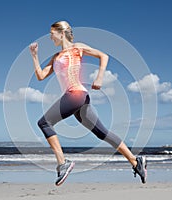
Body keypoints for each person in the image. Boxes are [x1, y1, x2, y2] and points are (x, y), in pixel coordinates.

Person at [29, 21, 147, 186]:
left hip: (76, 94)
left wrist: (99, 77)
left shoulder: (77, 47)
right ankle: (136, 161)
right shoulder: (55, 57)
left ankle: (63, 163)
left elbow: (103, 56)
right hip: (79, 99)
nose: (50, 37)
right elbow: (40, 76)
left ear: (61, 33)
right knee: (102, 133)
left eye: (52, 33)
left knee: (44, 122)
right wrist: (34, 57)